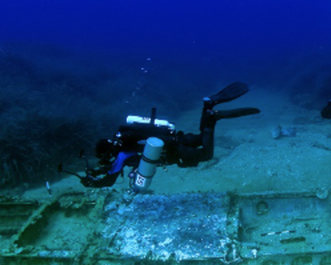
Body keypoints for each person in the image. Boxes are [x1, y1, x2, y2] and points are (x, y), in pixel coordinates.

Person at [61, 81, 259, 190]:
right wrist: (95, 172)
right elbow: (109, 169)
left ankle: (211, 115)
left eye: (105, 156)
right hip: (175, 138)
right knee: (199, 137)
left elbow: (110, 179)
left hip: (174, 150)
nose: (106, 159)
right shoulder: (124, 139)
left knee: (206, 154)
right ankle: (208, 107)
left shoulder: (121, 155)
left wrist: (91, 183)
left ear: (108, 150)